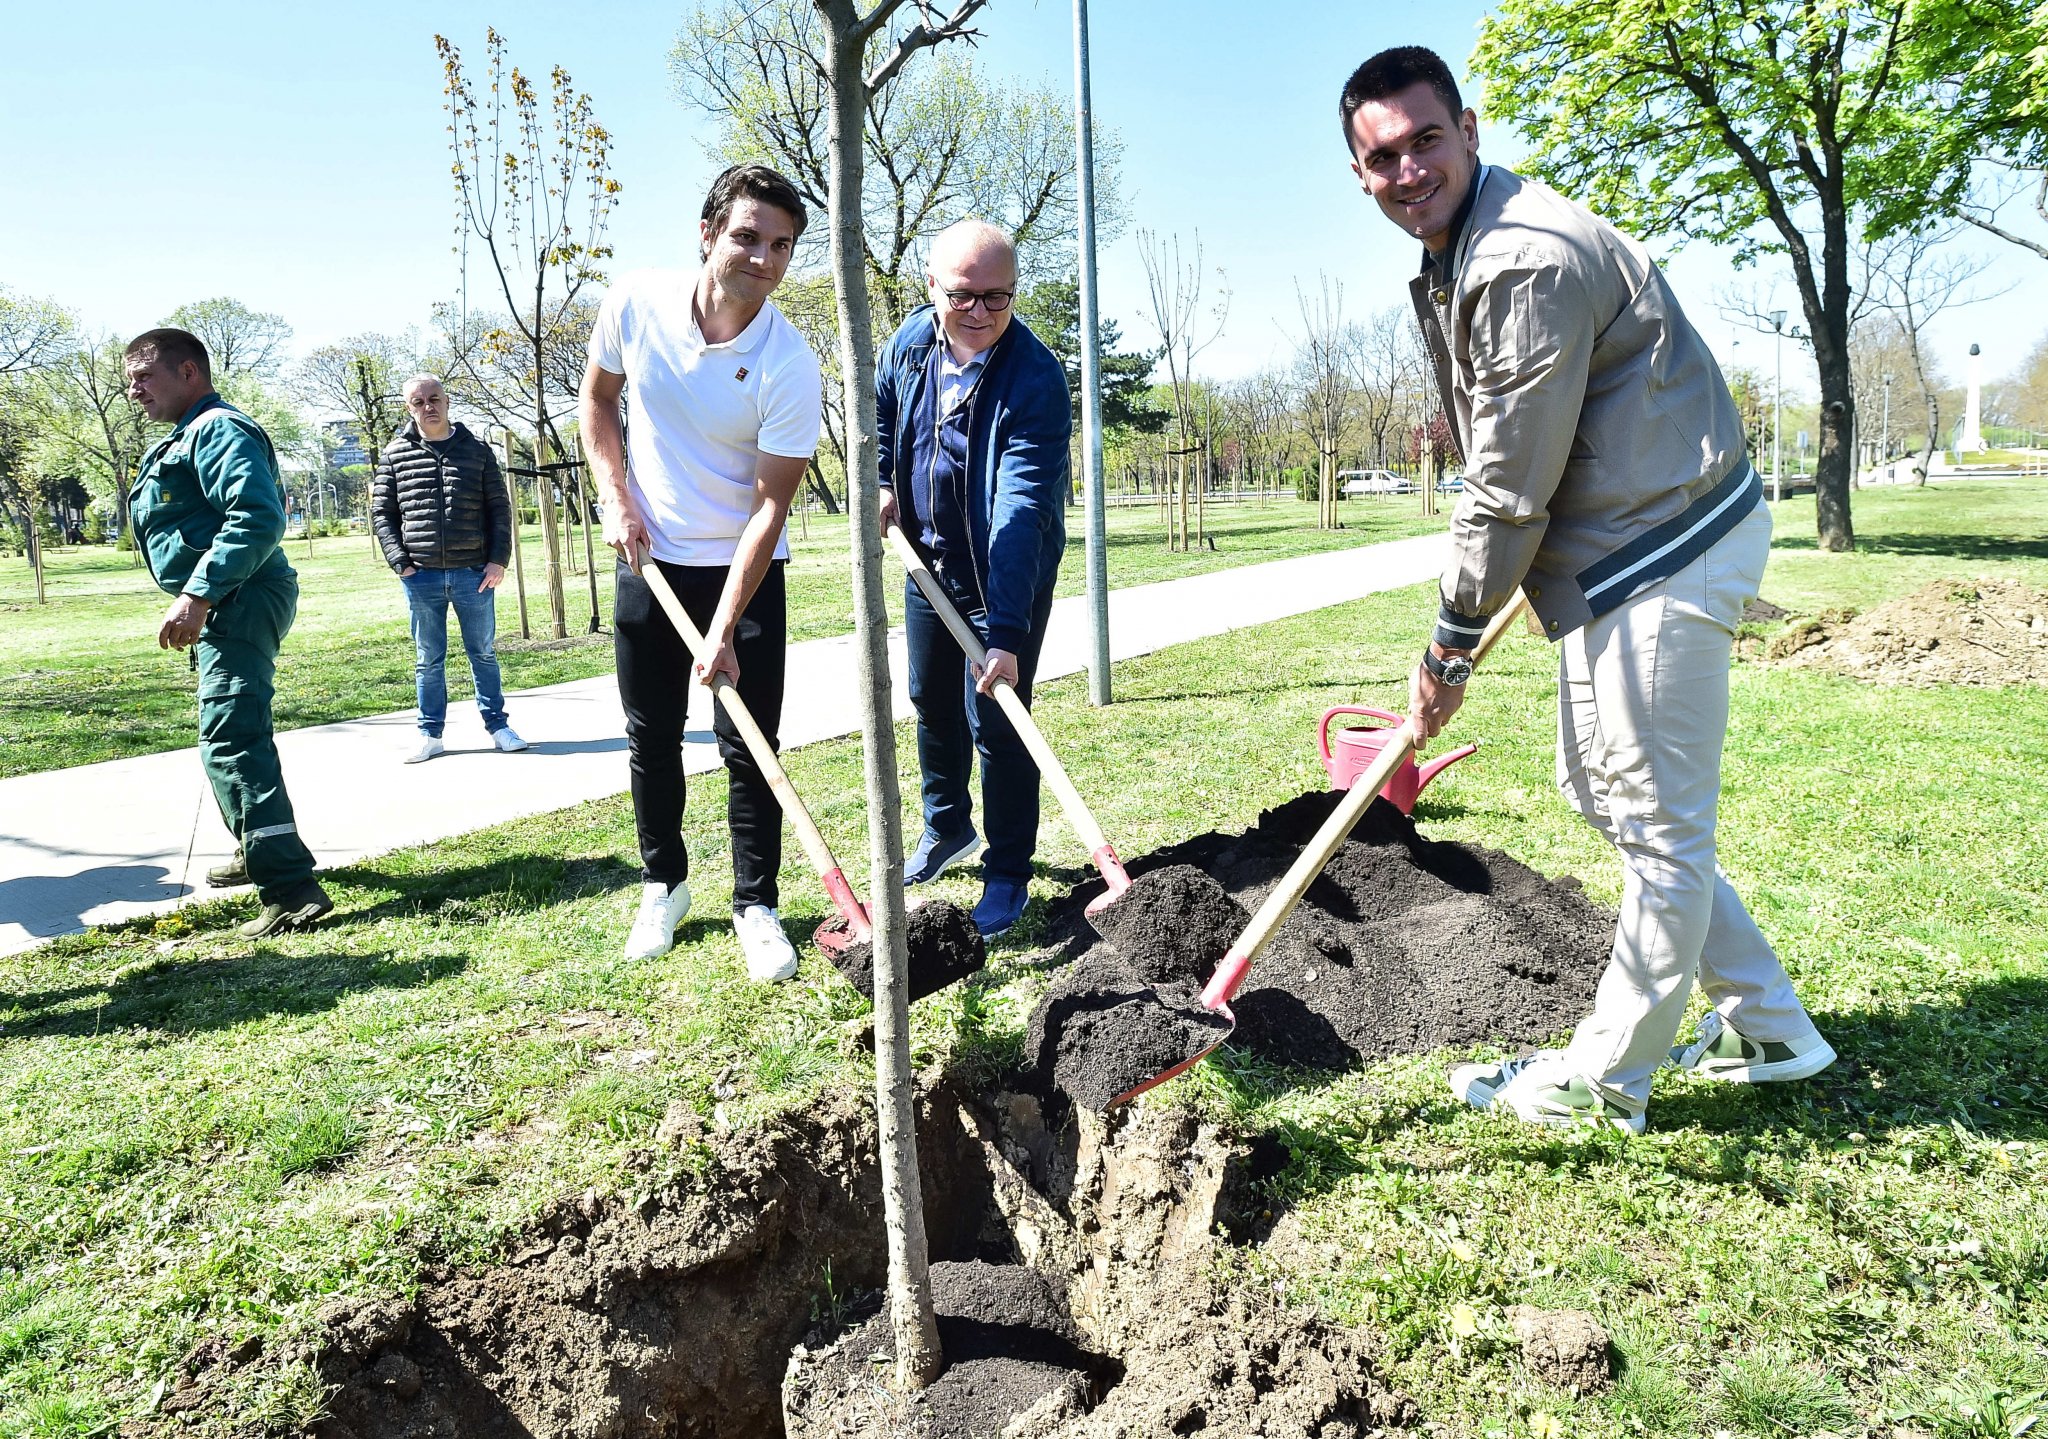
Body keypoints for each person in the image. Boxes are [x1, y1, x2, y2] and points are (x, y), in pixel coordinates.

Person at [1340, 47, 1836, 1134]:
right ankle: (1769, 1021)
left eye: (1425, 139)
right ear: (1359, 175)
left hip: (1663, 542)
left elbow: (1507, 488)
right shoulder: (1458, 248)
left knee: (1656, 827)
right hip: (1620, 544)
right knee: (1604, 791)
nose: (1408, 168)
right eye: (1381, 156)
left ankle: (1605, 1076)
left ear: (1464, 129)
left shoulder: (1519, 258)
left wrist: (1447, 647)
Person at [579, 162, 821, 979]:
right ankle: (665, 883)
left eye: (782, 246)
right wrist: (617, 498)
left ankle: (757, 902)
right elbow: (598, 403)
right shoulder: (636, 302)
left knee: (750, 742)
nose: (764, 258)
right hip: (648, 557)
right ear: (710, 232)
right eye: (749, 236)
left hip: (742, 567)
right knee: (650, 734)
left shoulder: (789, 363)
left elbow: (769, 509)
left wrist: (722, 628)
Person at [875, 220, 1071, 939]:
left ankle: (1008, 867)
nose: (982, 312)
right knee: (931, 697)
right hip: (925, 559)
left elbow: (1019, 509)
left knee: (998, 718)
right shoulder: (909, 343)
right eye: (964, 296)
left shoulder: (1036, 377)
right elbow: (882, 409)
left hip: (1001, 575)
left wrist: (1008, 633)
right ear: (932, 287)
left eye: (999, 297)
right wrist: (878, 484)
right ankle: (947, 826)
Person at [124, 328, 332, 937]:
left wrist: (199, 593)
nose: (134, 391)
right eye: (130, 381)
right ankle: (256, 844)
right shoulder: (189, 434)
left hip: (239, 596)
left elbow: (258, 516)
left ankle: (290, 889)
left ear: (189, 372)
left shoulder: (216, 429)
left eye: (144, 377)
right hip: (232, 597)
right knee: (229, 732)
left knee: (232, 736)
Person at [371, 374, 526, 762]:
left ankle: (498, 727)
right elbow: (382, 513)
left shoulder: (477, 450)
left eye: (434, 398)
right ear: (409, 407)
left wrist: (497, 560)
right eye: (419, 401)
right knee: (428, 658)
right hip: (420, 576)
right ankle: (430, 734)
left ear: (447, 400)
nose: (428, 406)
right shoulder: (394, 454)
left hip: (473, 574)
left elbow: (499, 509)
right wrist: (399, 562)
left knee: (484, 653)